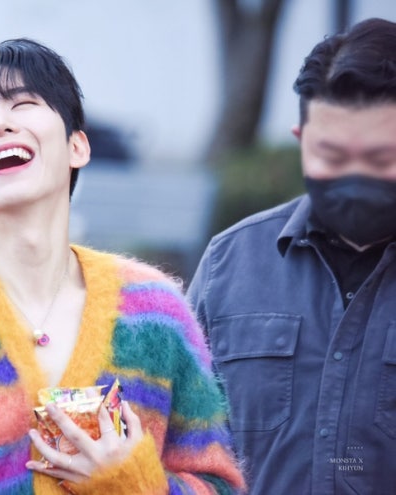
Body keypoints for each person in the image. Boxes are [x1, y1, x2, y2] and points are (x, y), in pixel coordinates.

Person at [0, 38, 244, 494]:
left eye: (23, 104)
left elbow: (218, 482)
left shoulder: (156, 309)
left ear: (78, 147)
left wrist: (133, 484)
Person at [187, 17, 396, 495]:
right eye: (332, 157)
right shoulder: (228, 264)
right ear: (301, 141)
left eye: (380, 158)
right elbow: (178, 441)